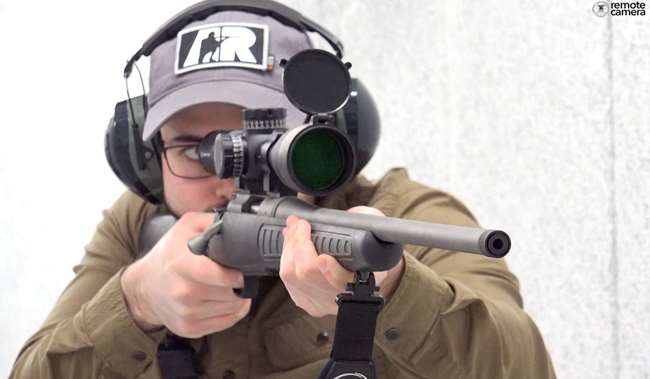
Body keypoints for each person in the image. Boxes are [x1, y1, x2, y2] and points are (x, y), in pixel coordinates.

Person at [10, 2, 555, 378]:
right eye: (192, 147)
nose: (227, 177)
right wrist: (136, 303)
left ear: (327, 133)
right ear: (146, 159)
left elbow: (520, 364)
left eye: (262, 134)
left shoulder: (398, 213)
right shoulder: (137, 228)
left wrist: (391, 291)